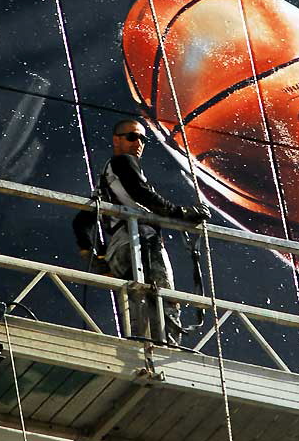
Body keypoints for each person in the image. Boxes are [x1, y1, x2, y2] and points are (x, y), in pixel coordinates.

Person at [86, 119, 211, 345]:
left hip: (119, 247)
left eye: (143, 139)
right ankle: (168, 351)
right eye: (132, 137)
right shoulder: (123, 162)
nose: (139, 143)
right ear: (117, 140)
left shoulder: (105, 177)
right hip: (139, 241)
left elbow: (82, 221)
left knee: (138, 302)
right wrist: (182, 213)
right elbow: (142, 193)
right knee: (163, 298)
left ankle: (142, 348)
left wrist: (97, 255)